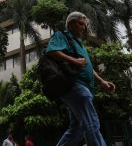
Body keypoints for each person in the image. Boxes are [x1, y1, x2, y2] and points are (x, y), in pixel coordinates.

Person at [46, 11, 116, 146]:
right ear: (70, 24)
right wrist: (74, 60)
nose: (83, 27)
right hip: (75, 86)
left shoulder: (80, 44)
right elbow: (52, 50)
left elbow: (88, 67)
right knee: (92, 122)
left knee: (76, 130)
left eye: (84, 25)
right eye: (80, 24)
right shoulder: (62, 35)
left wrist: (101, 81)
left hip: (84, 87)